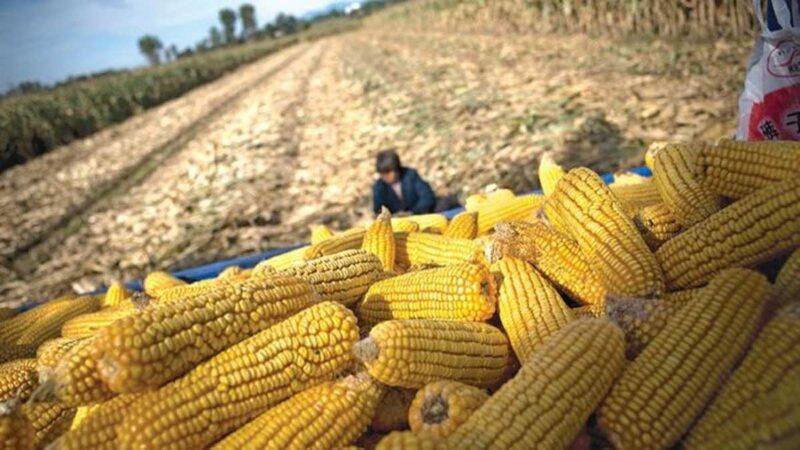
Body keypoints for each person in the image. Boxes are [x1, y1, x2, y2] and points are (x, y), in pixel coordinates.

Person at [372, 150, 436, 216]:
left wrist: (413, 212)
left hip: (420, 214)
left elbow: (427, 197)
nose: (385, 176)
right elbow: (378, 210)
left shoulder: (410, 175)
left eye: (388, 172)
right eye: (382, 173)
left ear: (396, 168)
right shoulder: (379, 187)